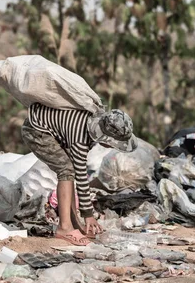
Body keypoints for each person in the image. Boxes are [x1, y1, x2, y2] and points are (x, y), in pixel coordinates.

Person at [22, 103, 137, 245]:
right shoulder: (80, 140)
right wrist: (88, 215)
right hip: (36, 130)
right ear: (106, 138)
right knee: (66, 170)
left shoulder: (94, 119)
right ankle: (64, 228)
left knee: (68, 172)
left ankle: (74, 224)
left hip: (48, 126)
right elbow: (81, 177)